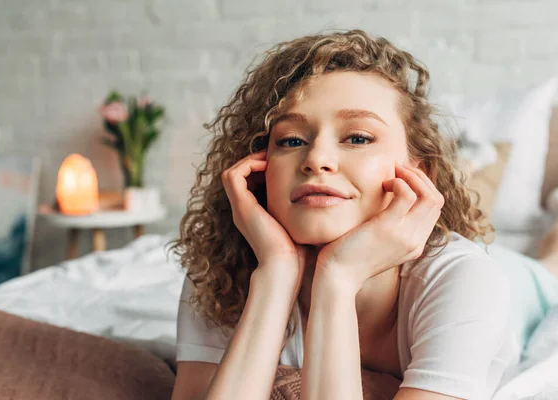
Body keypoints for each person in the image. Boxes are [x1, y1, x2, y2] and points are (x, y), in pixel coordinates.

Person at [167, 29, 558, 400]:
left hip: (522, 279)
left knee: (549, 264)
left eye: (357, 138)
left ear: (419, 173)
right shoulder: (220, 270)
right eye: (291, 140)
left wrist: (337, 278)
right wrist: (275, 273)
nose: (317, 159)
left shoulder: (467, 280)